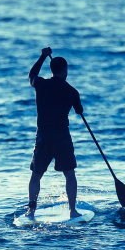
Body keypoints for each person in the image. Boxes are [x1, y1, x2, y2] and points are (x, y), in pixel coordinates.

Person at [27, 47, 84, 219]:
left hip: (44, 136)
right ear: (65, 71)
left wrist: (42, 56)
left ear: (52, 70)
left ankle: (31, 211)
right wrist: (77, 105)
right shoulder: (72, 92)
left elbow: (31, 76)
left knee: (36, 174)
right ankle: (72, 211)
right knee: (70, 174)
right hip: (62, 137)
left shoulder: (41, 85)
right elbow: (78, 111)